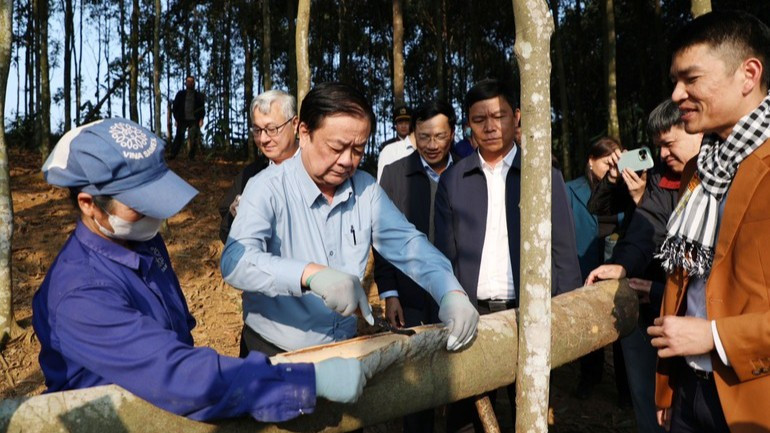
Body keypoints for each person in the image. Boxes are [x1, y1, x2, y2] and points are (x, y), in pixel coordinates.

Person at [32, 119, 367, 423]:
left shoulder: (140, 240)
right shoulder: (81, 295)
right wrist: (305, 380)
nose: (156, 216)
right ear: (89, 204)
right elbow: (176, 376)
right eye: (139, 205)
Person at [221, 82, 478, 360]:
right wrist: (309, 275)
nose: (347, 161)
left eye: (358, 149)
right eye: (336, 147)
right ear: (304, 133)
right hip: (274, 354)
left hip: (341, 352)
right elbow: (236, 261)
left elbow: (408, 244)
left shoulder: (365, 190)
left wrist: (449, 290)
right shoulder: (267, 187)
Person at [435, 78, 582, 432]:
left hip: (528, 313)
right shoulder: (453, 180)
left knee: (527, 410)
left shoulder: (542, 174)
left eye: (498, 116)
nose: (490, 127)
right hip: (472, 315)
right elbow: (443, 255)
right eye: (479, 119)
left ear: (516, 117)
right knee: (466, 413)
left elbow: (563, 249)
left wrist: (566, 312)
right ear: (468, 125)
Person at [647, 11, 770, 433]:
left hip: (754, 401)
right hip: (687, 389)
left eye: (691, 79)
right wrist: (667, 389)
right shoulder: (697, 171)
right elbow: (685, 284)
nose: (677, 94)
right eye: (675, 81)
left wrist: (713, 336)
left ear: (748, 74)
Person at [585, 100, 702, 433]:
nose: (662, 153)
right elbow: (642, 224)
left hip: (695, 315)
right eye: (657, 145)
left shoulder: (719, 177)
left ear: (697, 129)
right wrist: (621, 265)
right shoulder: (657, 177)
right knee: (649, 403)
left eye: (669, 143)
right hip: (647, 303)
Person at [373, 99, 458, 433]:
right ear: (413, 135)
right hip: (410, 295)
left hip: (457, 293)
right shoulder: (395, 174)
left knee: (460, 379)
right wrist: (389, 292)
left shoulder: (467, 172)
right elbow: (381, 236)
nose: (432, 144)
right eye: (424, 137)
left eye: (440, 136)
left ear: (453, 133)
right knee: (415, 380)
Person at [566, 137, 627, 402]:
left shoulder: (626, 189)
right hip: (586, 262)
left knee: (622, 321)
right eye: (606, 162)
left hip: (619, 263)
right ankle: (589, 376)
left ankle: (625, 388)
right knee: (590, 321)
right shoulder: (570, 190)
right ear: (591, 161)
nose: (612, 167)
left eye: (617, 161)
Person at [218, 90, 299, 244]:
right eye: (257, 130)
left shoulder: (316, 167)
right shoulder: (250, 175)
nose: (263, 139)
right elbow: (225, 232)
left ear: (294, 124)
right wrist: (236, 216)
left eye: (272, 129)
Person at [170, 75, 205, 160]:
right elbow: (175, 107)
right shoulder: (180, 94)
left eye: (191, 81)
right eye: (188, 81)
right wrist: (176, 119)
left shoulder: (198, 95)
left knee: (193, 139)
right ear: (186, 83)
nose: (190, 83)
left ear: (194, 83)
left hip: (194, 119)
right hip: (182, 119)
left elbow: (202, 108)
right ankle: (173, 154)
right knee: (179, 137)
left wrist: (201, 119)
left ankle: (191, 157)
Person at [377, 105, 416, 182]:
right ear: (396, 125)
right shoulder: (386, 147)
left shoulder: (418, 145)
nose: (403, 126)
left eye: (406, 122)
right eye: (400, 123)